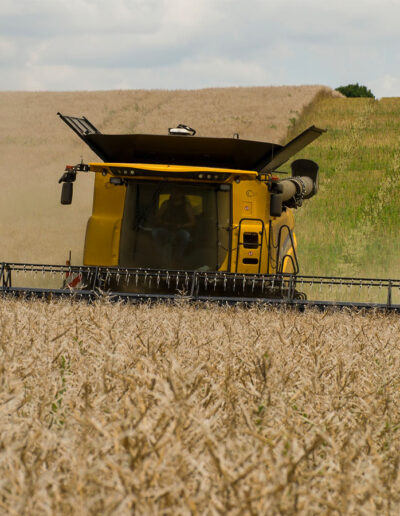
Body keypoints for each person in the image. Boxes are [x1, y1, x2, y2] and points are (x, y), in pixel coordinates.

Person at [152, 191, 195, 264]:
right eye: (174, 191)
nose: (176, 194)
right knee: (155, 233)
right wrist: (165, 223)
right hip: (166, 229)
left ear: (182, 194)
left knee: (186, 236)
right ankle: (158, 256)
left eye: (178, 191)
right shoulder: (166, 204)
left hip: (181, 230)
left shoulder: (186, 206)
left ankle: (178, 258)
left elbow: (193, 222)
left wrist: (181, 225)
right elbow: (157, 218)